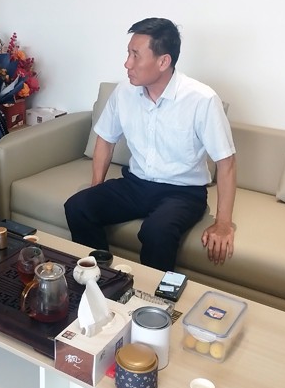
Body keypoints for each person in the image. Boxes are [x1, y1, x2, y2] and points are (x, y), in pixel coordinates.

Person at [65, 17, 236, 272]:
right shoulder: (124, 92)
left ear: (163, 61)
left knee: (156, 231)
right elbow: (105, 139)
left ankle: (150, 295)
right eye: (128, 54)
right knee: (79, 206)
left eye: (135, 55)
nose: (127, 63)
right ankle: (100, 279)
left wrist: (223, 223)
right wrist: (96, 189)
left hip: (183, 192)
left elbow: (226, 162)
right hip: (136, 184)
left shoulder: (202, 99)